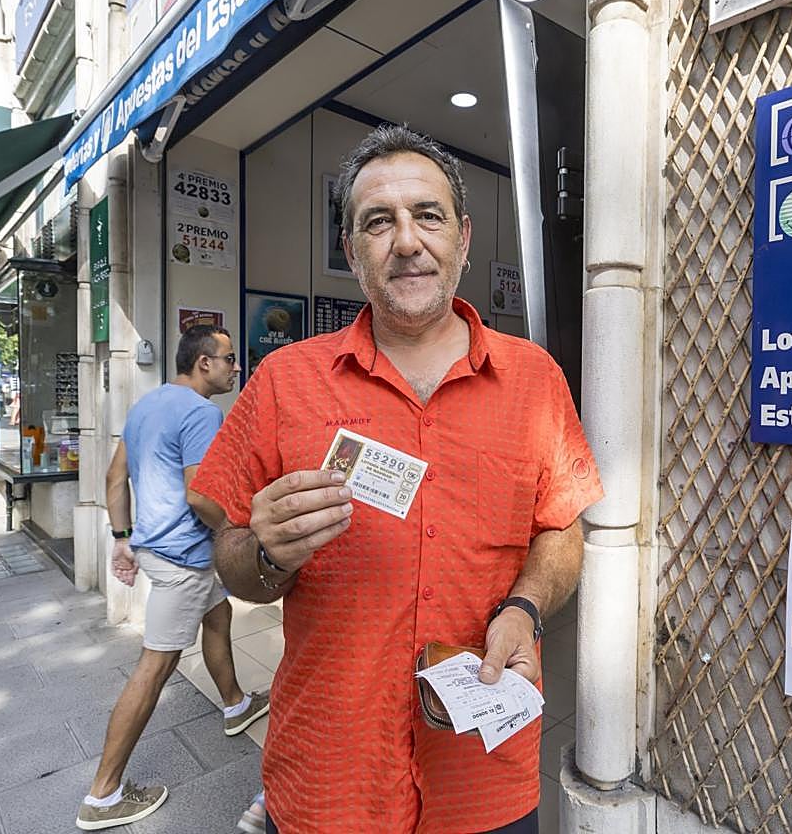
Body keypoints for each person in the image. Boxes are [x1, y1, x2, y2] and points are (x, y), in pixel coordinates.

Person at [191, 126, 604, 833]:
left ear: (464, 238)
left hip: (486, 776)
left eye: (428, 215)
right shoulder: (285, 382)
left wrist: (525, 608)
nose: (406, 241)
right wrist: (266, 550)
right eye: (378, 222)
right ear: (352, 253)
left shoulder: (534, 379)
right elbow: (234, 565)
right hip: (332, 774)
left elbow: (562, 525)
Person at [75, 326, 270, 831]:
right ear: (204, 363)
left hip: (159, 548)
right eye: (230, 359)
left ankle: (234, 704)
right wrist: (244, 536)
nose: (236, 368)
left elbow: (116, 477)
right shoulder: (203, 412)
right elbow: (201, 497)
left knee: (219, 611)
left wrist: (121, 537)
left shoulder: (148, 403)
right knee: (155, 667)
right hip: (183, 558)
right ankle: (104, 794)